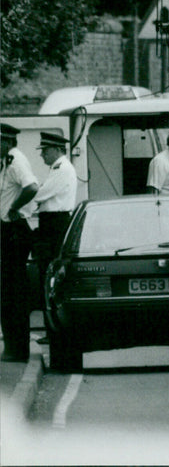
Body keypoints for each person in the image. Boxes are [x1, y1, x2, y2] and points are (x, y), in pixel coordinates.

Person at [1, 123, 39, 362]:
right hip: (6, 229)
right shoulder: (6, 161)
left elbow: (32, 187)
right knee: (7, 290)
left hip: (15, 230)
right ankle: (13, 347)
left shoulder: (16, 161)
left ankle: (18, 349)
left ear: (6, 142)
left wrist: (15, 208)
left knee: (13, 290)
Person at [32, 132, 77, 314]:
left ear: (57, 150)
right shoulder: (58, 168)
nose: (42, 154)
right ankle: (50, 323)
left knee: (49, 272)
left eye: (45, 150)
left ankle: (53, 323)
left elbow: (40, 194)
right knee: (47, 271)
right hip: (52, 222)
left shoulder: (62, 168)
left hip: (55, 224)